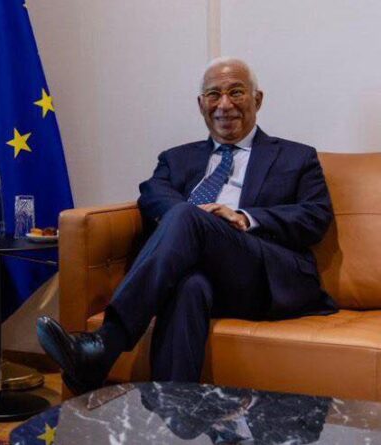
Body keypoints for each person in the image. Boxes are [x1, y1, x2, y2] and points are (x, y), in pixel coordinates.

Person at [37, 57, 336, 395]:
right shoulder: (176, 158)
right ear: (201, 104)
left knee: (186, 216)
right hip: (198, 272)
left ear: (258, 99)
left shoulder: (296, 156)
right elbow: (152, 195)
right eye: (214, 95)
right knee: (188, 286)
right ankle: (176, 413)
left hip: (261, 274)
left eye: (236, 92)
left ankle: (106, 343)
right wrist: (196, 222)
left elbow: (315, 216)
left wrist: (243, 217)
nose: (224, 105)